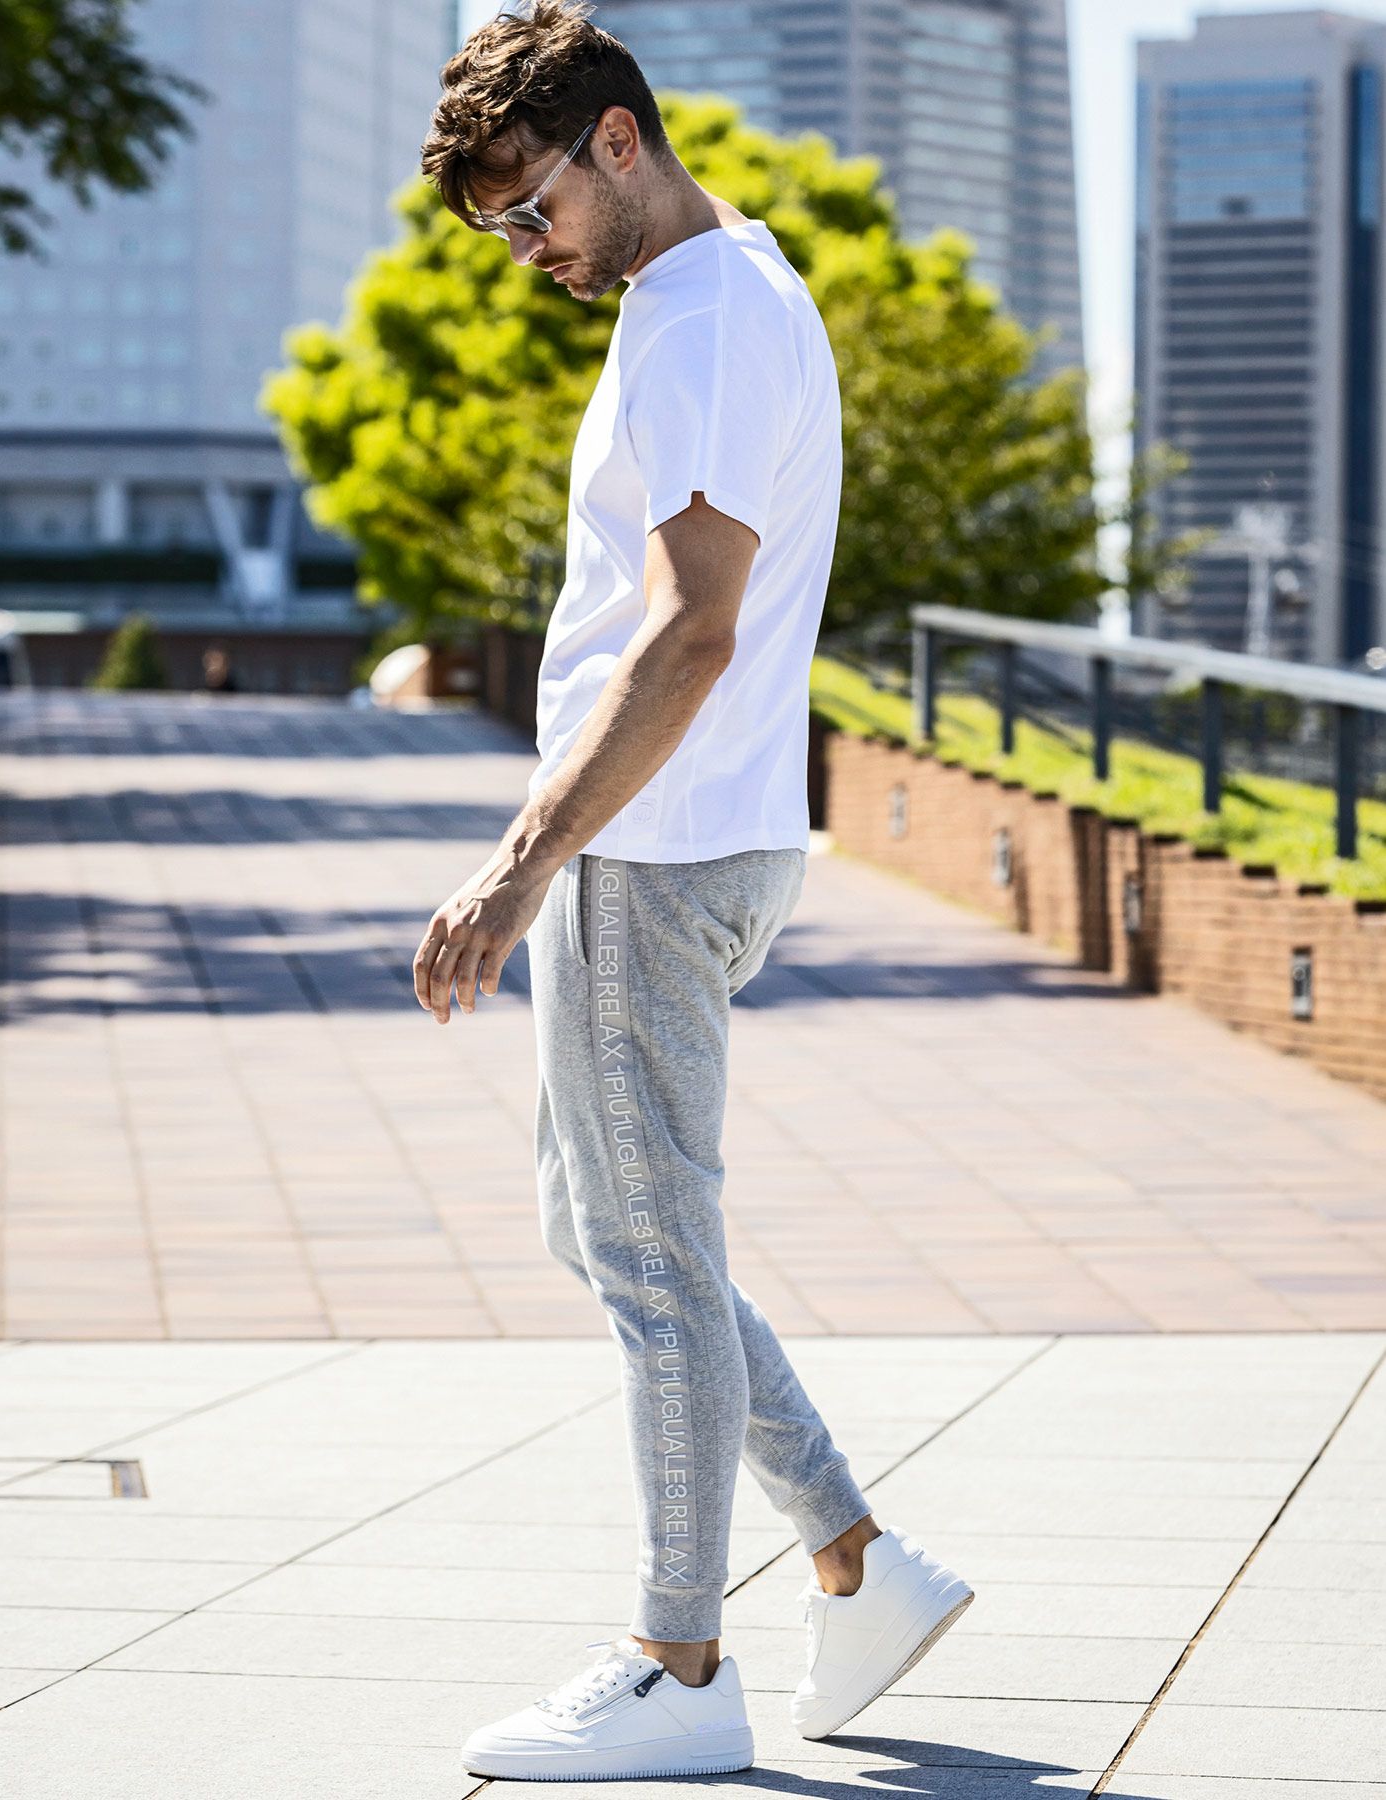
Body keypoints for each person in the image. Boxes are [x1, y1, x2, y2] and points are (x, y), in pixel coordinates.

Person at [414, 1, 973, 1781]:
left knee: (650, 1261)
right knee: (607, 1228)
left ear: (619, 140)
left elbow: (690, 631)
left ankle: (680, 1668)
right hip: (681, 834)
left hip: (650, 850)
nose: (529, 251)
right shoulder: (725, 286)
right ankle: (858, 1560)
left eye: (535, 210)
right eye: (502, 231)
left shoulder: (703, 316)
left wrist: (519, 868)